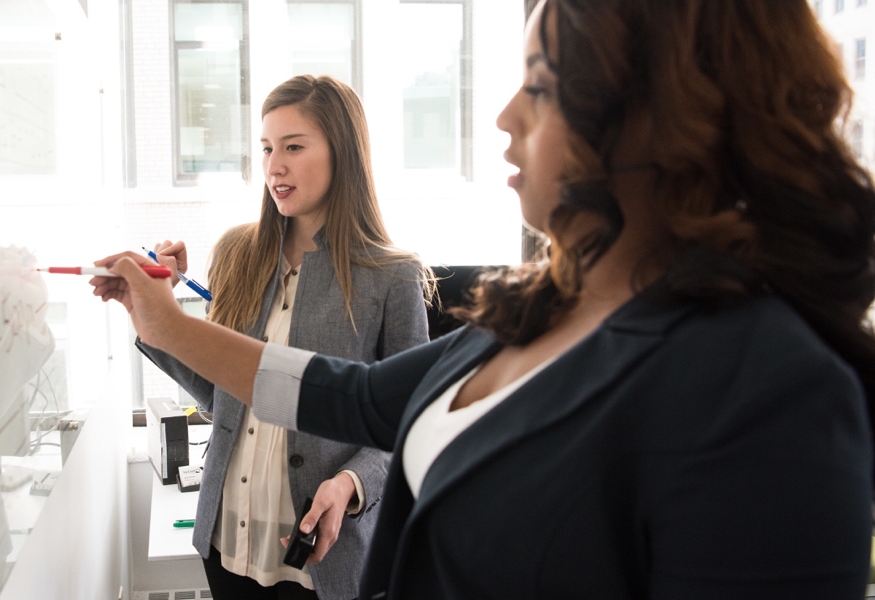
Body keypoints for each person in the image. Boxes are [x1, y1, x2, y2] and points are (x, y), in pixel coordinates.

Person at [95, 0, 875, 597]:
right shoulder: (538, 308)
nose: (504, 118)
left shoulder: (771, 392)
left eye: (540, 86)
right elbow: (357, 396)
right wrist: (160, 322)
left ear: (662, 119)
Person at [138, 74, 434, 600]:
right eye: (267, 147)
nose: (274, 166)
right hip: (227, 537)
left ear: (343, 153)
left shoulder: (393, 276)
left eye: (294, 147)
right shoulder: (236, 253)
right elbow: (221, 396)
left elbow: (409, 427)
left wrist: (350, 486)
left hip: (323, 556)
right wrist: (152, 313)